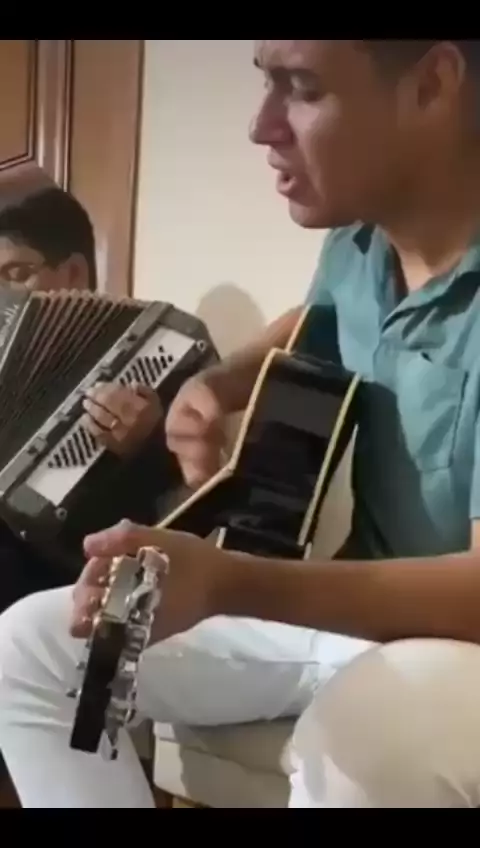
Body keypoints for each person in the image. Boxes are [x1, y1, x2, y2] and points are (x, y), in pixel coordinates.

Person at [2, 39, 480, 809]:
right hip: (350, 621)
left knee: (367, 736)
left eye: (302, 87)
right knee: (34, 645)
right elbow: (313, 321)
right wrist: (217, 383)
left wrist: (229, 581)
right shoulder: (357, 245)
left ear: (431, 83)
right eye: (265, 84)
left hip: (460, 646)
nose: (261, 127)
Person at [0, 186, 167, 614]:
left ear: (74, 272)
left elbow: (194, 508)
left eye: (15, 273)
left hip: (77, 583)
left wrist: (147, 444)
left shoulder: (161, 347)